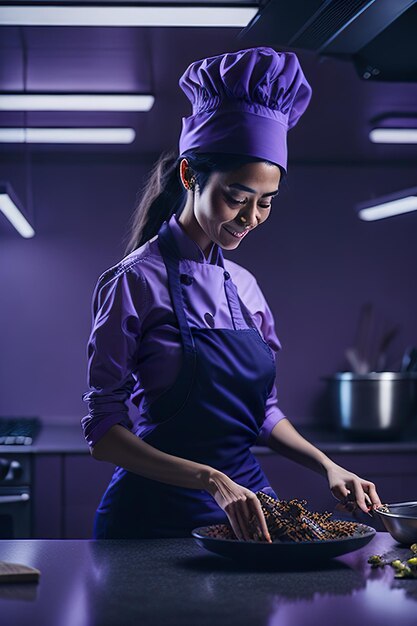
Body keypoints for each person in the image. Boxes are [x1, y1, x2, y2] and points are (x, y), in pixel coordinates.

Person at [81, 47, 381, 541]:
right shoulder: (132, 282)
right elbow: (104, 435)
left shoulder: (244, 287)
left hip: (247, 518)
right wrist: (211, 479)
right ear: (189, 175)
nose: (251, 218)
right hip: (148, 521)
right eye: (237, 198)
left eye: (266, 203)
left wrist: (328, 466)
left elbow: (263, 411)